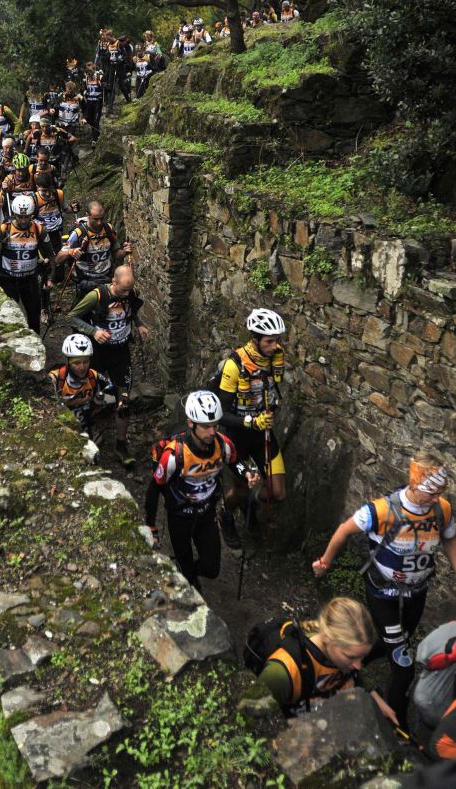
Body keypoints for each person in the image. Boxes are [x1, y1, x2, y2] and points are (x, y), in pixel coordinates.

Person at [312, 453, 456, 727]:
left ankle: (347, 663)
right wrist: (325, 563)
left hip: (417, 592)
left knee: (396, 641)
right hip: (383, 596)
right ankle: (394, 725)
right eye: (431, 492)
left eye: (441, 492)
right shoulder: (380, 511)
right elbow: (344, 530)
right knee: (403, 667)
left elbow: (449, 539)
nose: (436, 498)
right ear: (414, 485)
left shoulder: (442, 510)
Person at [144, 391, 236, 589]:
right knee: (184, 563)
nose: (212, 432)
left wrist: (247, 474)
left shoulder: (222, 444)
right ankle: (190, 580)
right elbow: (154, 489)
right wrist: (150, 525)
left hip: (206, 514)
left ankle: (191, 575)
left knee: (212, 568)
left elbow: (235, 462)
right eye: (205, 426)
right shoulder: (173, 454)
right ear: (191, 423)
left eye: (215, 425)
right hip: (179, 517)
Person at [254, 597, 396, 722]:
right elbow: (256, 717)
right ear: (327, 638)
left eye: (362, 657)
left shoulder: (340, 652)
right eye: (350, 657)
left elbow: (357, 672)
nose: (358, 665)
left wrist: (373, 694)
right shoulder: (282, 673)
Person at [215, 308, 287, 551]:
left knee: (278, 493)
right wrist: (250, 422)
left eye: (277, 340)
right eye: (269, 341)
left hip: (263, 433)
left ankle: (250, 506)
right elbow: (220, 413)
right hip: (237, 436)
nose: (274, 345)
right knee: (241, 488)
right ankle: (225, 514)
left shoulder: (274, 357)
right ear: (254, 340)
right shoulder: (234, 365)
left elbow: (272, 391)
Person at [66, 265, 149, 467]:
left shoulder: (129, 293)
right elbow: (71, 317)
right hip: (98, 353)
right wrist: (93, 332)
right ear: (113, 282)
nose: (126, 295)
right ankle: (87, 433)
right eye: (122, 291)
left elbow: (131, 309)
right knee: (88, 394)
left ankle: (121, 445)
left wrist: (138, 324)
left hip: (120, 352)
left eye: (129, 291)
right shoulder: (97, 296)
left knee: (124, 400)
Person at [0, 193, 55, 334]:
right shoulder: (3, 230)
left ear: (32, 215)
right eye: (20, 217)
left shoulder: (39, 230)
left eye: (26, 217)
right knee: (8, 316)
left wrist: (51, 278)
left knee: (34, 317)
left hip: (30, 280)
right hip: (8, 280)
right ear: (14, 214)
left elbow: (51, 256)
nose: (23, 220)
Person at [57, 200, 131, 299]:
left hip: (106, 278)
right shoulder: (78, 233)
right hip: (85, 281)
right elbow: (58, 259)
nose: (99, 222)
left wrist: (125, 252)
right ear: (87, 215)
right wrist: (71, 252)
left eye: (102, 218)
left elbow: (116, 253)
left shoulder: (108, 229)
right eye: (95, 219)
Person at [48, 334, 112, 435]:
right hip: (63, 429)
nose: (82, 367)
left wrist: (123, 394)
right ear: (68, 362)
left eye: (85, 362)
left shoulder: (93, 375)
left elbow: (112, 387)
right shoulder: (56, 378)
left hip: (86, 423)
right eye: (76, 363)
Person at [82, 64, 103, 144]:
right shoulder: (86, 77)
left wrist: (102, 84)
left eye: (91, 70)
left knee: (96, 120)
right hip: (89, 102)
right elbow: (84, 88)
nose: (90, 73)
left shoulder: (98, 75)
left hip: (97, 102)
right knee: (90, 119)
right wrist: (84, 91)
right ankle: (96, 134)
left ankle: (95, 139)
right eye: (88, 70)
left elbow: (105, 85)